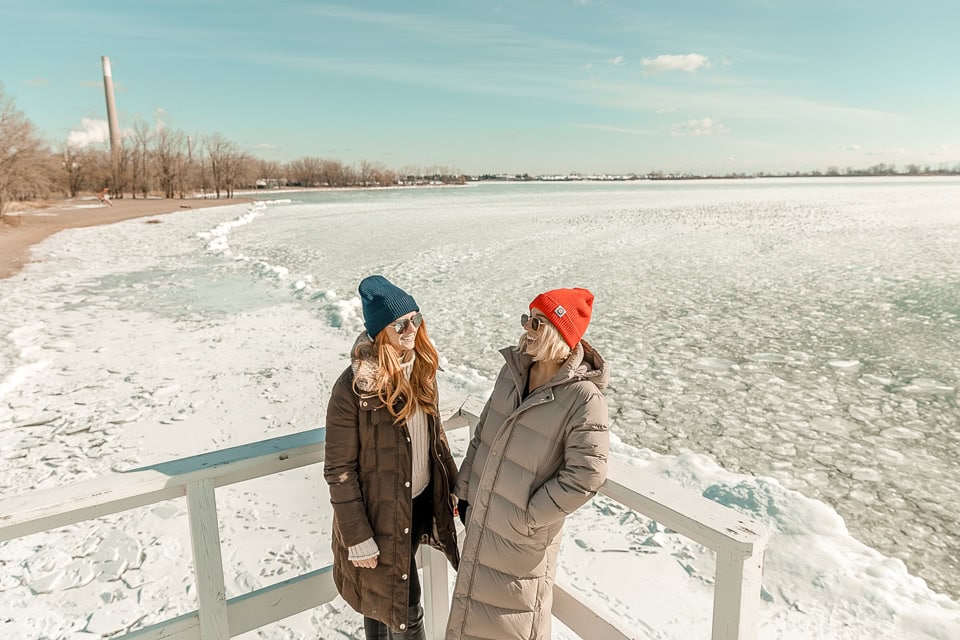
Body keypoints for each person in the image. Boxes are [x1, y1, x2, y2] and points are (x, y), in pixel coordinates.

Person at [446, 287, 610, 640]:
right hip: (482, 521)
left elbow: (588, 474)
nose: (525, 329)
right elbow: (482, 435)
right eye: (526, 319)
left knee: (512, 625)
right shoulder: (513, 372)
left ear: (557, 333)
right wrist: (464, 489)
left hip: (520, 545)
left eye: (535, 322)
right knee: (467, 620)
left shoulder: (583, 398)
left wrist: (528, 516)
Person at [324, 275, 460, 640]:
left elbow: (435, 442)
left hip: (417, 507)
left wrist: (454, 492)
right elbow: (339, 470)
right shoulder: (352, 388)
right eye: (401, 324)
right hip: (378, 520)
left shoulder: (421, 370)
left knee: (381, 603)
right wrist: (357, 537)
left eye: (416, 319)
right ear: (380, 331)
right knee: (406, 610)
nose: (412, 329)